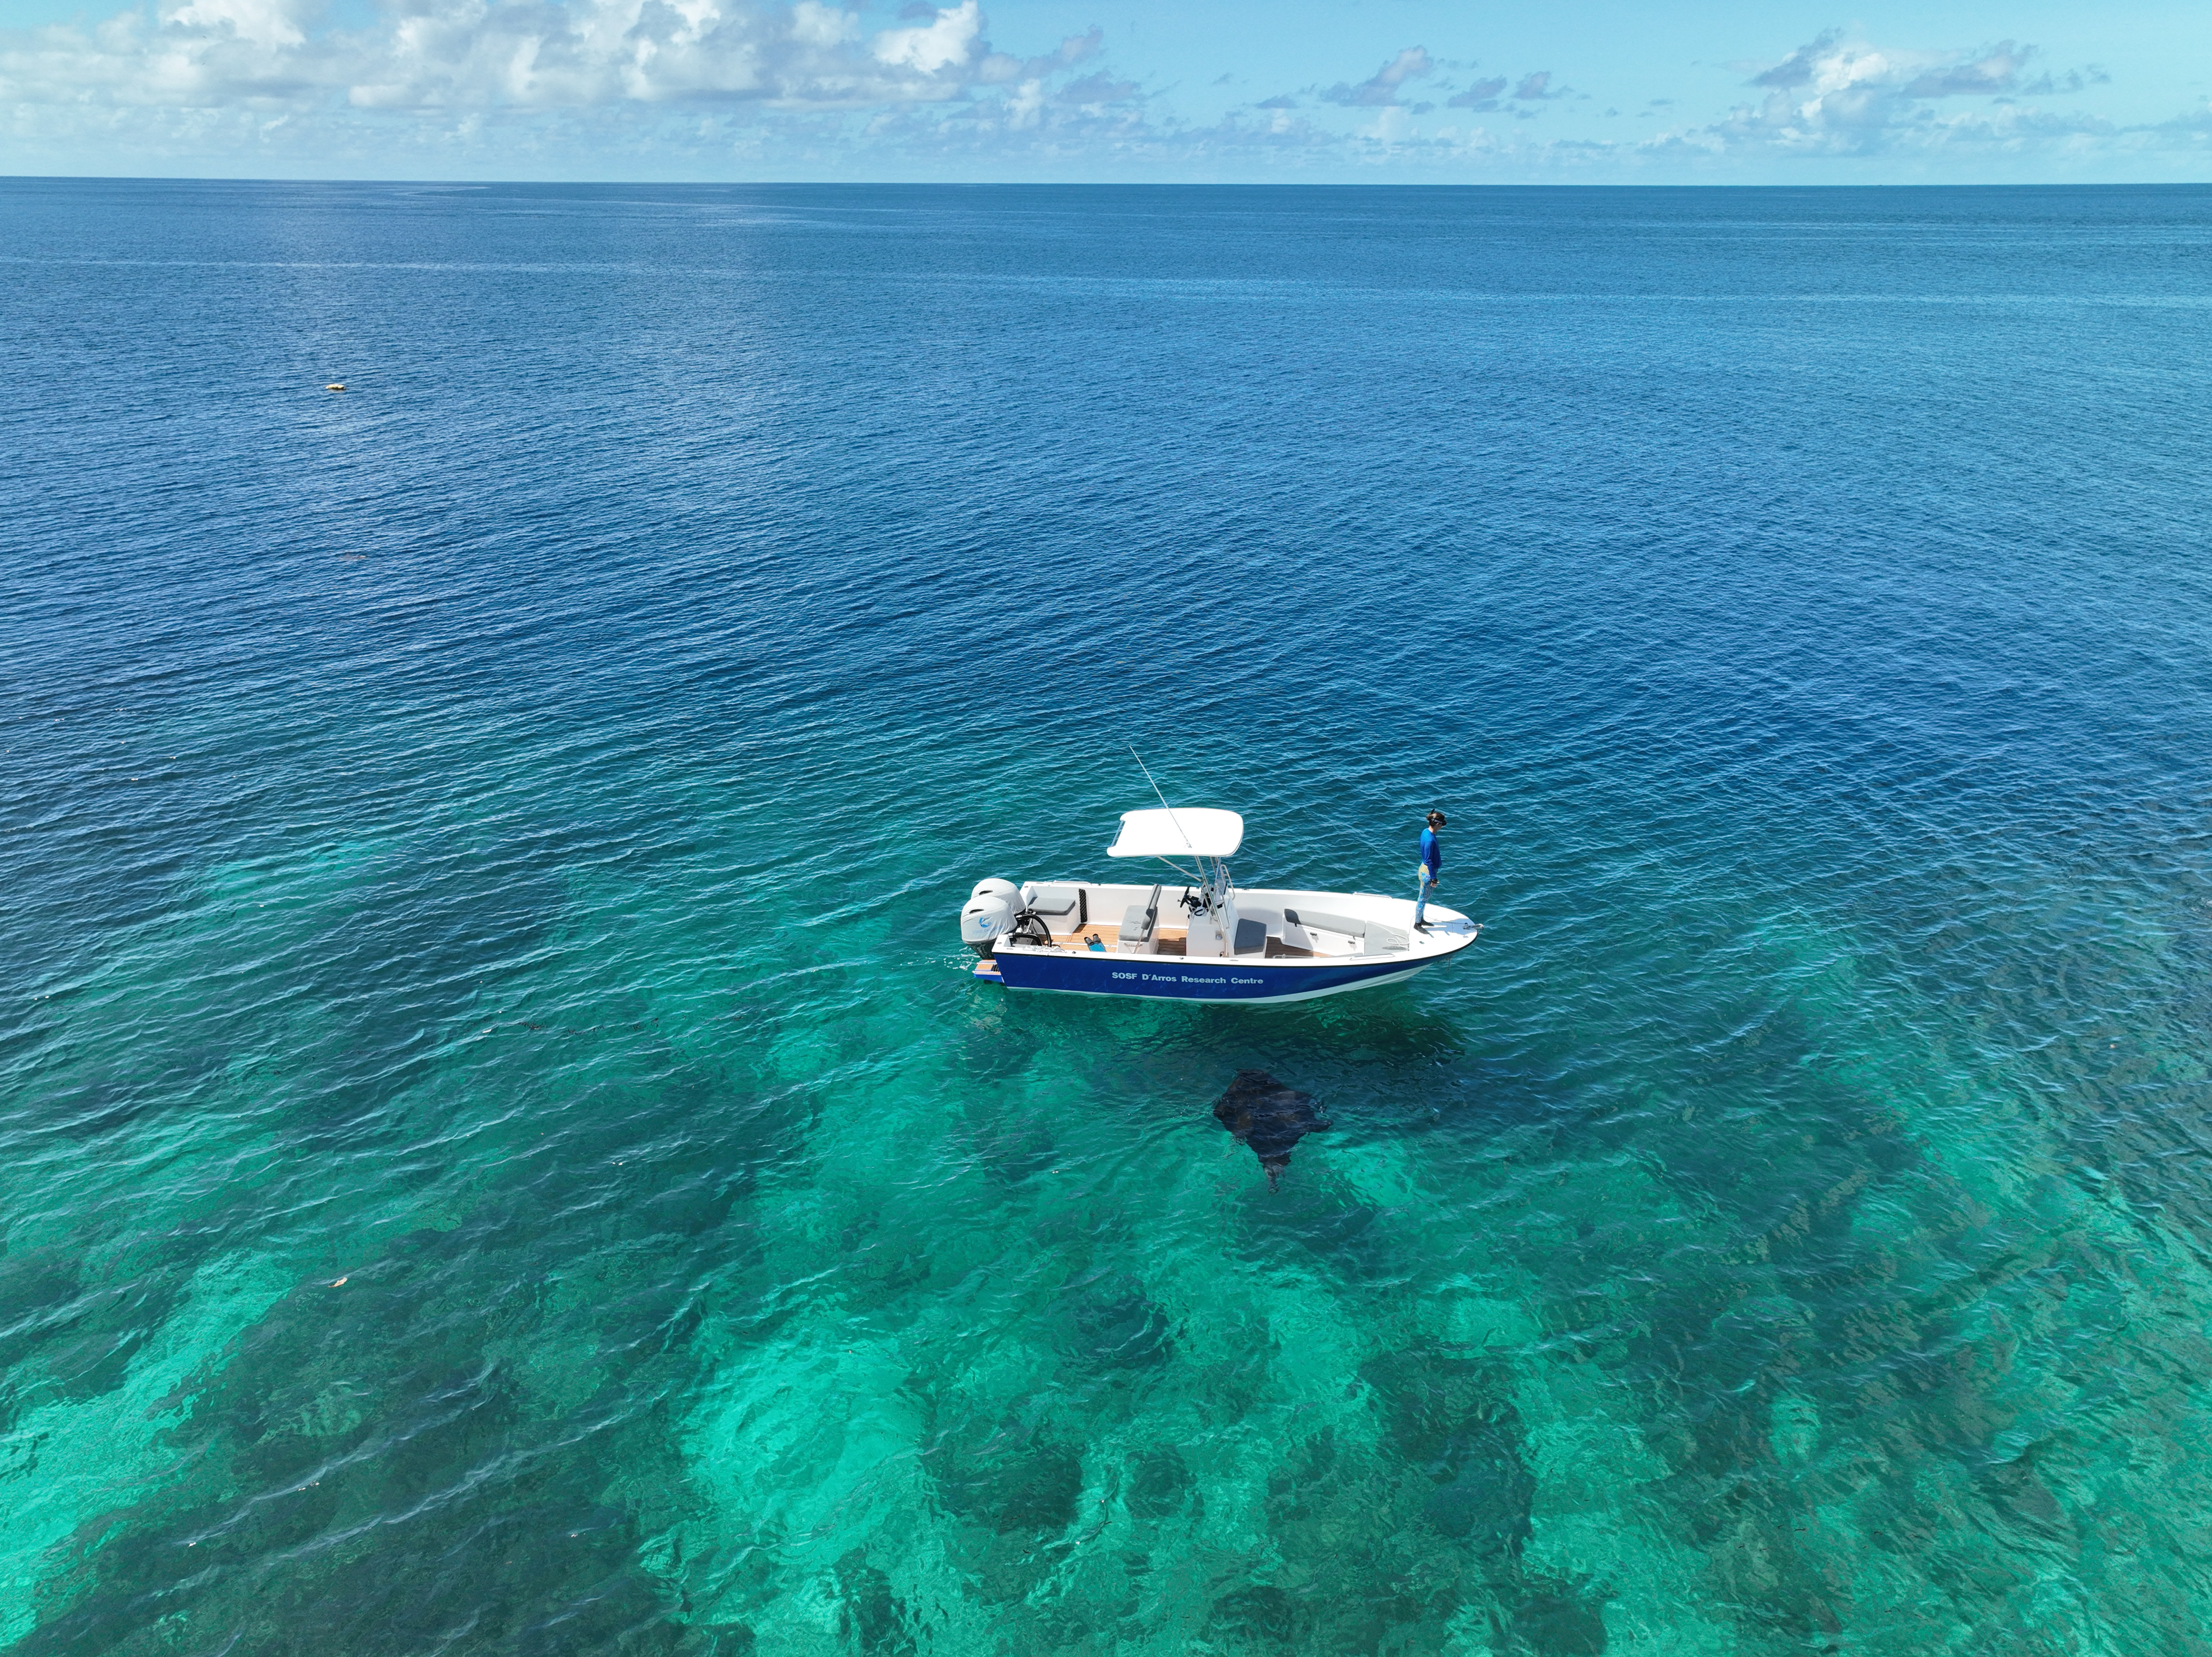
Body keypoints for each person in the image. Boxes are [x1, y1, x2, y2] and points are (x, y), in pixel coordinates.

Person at [1414, 810, 1445, 927]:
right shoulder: (1430, 841)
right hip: (1428, 873)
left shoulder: (1427, 832)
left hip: (1425, 870)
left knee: (1424, 899)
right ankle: (1418, 924)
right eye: (1442, 824)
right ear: (1438, 824)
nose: (1443, 826)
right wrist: (1433, 879)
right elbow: (1428, 861)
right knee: (1422, 899)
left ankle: (1421, 920)